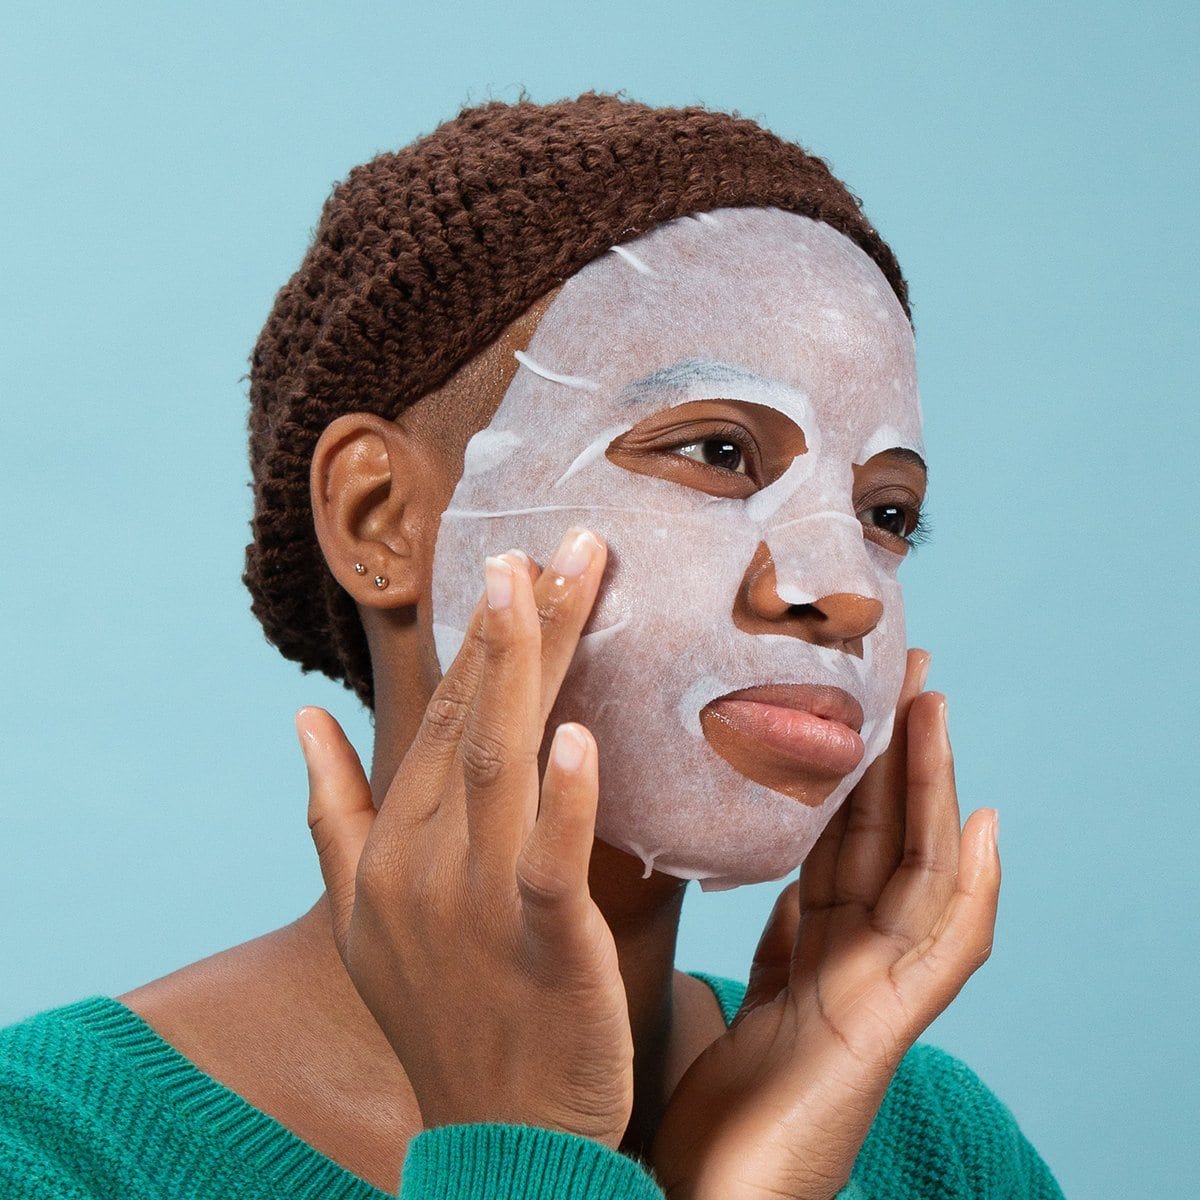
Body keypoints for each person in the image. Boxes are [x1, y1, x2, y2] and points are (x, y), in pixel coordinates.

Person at [0, 93, 1065, 1199]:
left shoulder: (939, 1146)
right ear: (383, 519)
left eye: (886, 515)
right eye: (719, 449)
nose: (843, 589)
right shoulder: (46, 1152)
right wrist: (525, 1152)